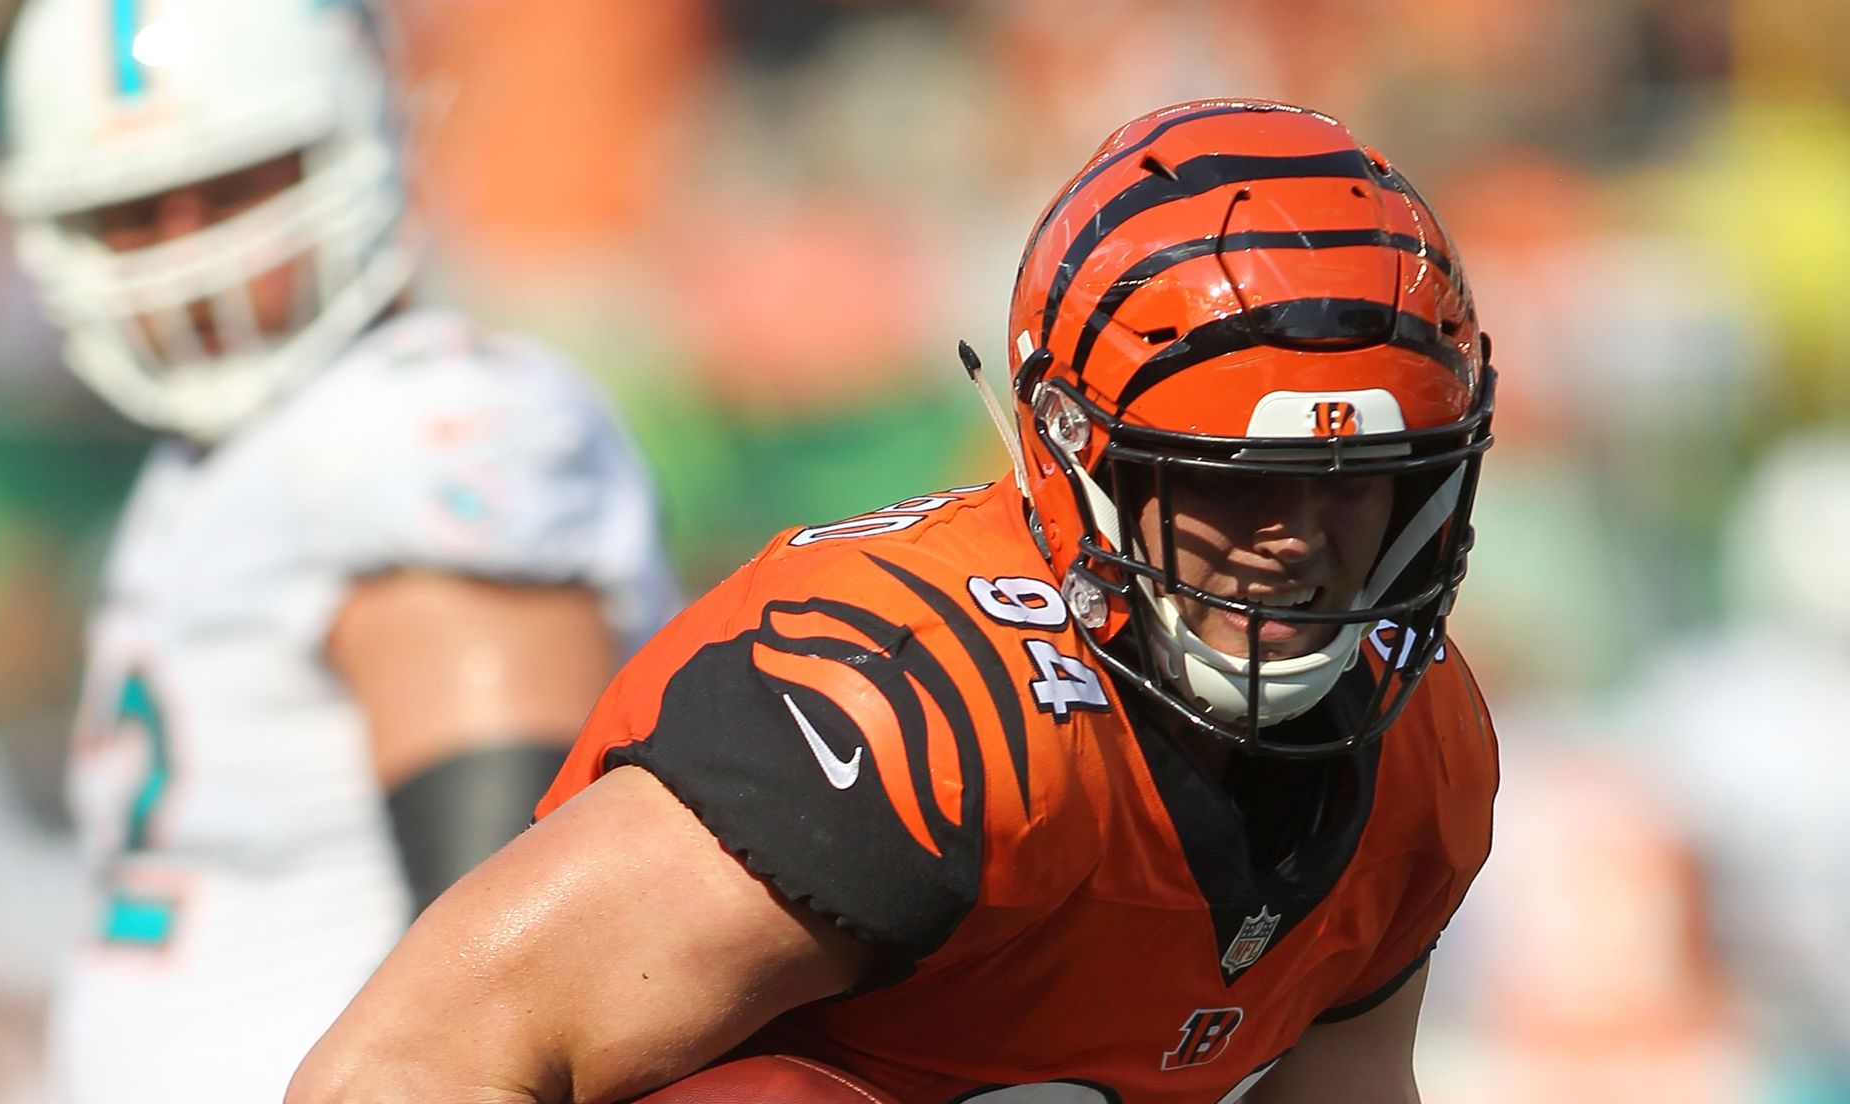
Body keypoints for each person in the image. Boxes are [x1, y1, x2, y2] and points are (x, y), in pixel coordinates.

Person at [291, 99, 1498, 1104]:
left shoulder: (1419, 746)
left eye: (1357, 486)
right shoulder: (919, 703)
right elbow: (400, 1070)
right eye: (1222, 486)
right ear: (1079, 455)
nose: (1291, 544)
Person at [0, 0, 676, 1102]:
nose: (192, 255)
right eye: (129, 215)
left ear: (359, 142)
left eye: (236, 187)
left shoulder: (415, 428)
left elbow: (519, 965)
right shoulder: (226, 461)